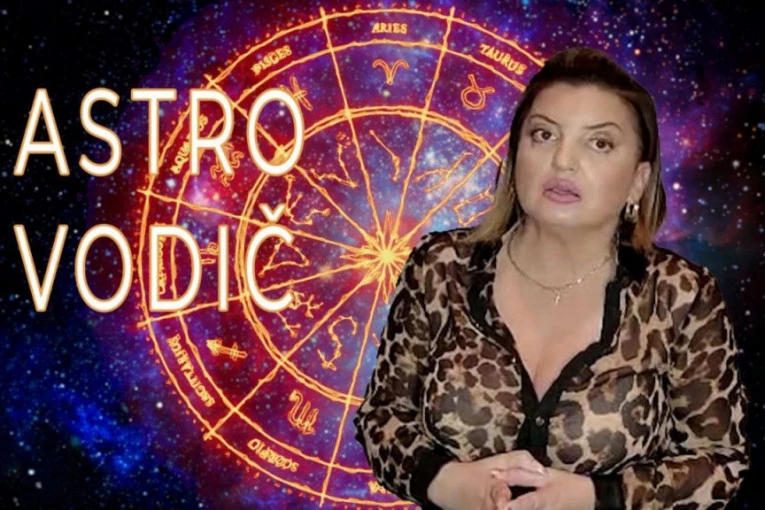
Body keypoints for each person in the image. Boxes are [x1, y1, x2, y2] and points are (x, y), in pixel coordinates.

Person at [352, 47, 749, 510]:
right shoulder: (440, 266)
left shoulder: (681, 295)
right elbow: (383, 417)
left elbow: (720, 464)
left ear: (638, 181)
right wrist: (450, 484)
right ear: (515, 153)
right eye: (543, 135)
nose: (562, 161)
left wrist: (595, 497)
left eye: (599, 143)